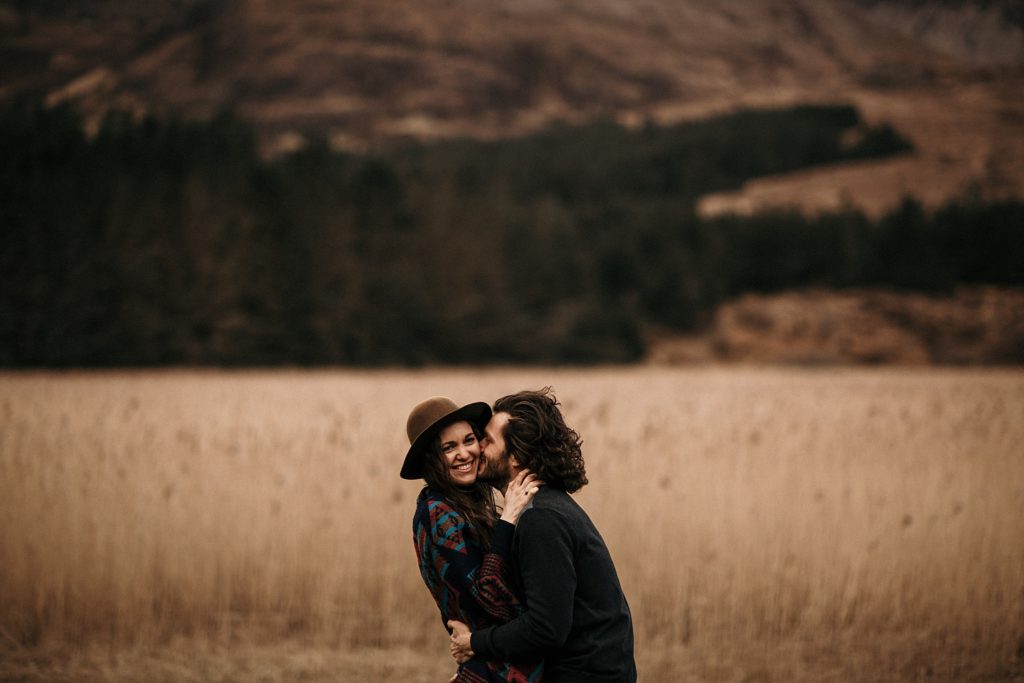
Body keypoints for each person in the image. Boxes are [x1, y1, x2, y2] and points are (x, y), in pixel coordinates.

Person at [448, 388, 636, 683]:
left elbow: (546, 629)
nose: (477, 447)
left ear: (518, 456)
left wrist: (474, 643)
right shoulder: (542, 507)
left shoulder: (541, 520)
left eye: (488, 440)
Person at [401, 396, 545, 683]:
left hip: (500, 657)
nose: (464, 453)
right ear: (432, 458)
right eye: (449, 448)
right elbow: (485, 597)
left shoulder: (469, 501)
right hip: (495, 669)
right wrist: (509, 519)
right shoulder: (437, 513)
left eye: (469, 440)